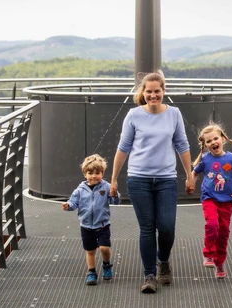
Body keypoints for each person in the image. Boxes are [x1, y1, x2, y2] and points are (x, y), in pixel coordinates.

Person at [110, 71, 195, 294]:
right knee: (147, 228)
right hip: (139, 179)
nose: (153, 95)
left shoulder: (174, 114)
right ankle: (149, 275)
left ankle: (163, 261)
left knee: (166, 226)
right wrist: (113, 179)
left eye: (157, 91)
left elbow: (182, 145)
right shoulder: (133, 115)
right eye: (149, 91)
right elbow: (123, 147)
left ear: (163, 91)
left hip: (166, 178)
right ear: (143, 92)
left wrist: (190, 174)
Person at [192, 123, 232, 279]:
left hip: (226, 201)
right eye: (208, 141)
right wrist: (190, 183)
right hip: (209, 198)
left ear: (223, 139)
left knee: (223, 233)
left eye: (215, 138)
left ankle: (219, 261)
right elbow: (194, 173)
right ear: (205, 145)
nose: (213, 143)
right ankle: (208, 253)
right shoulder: (205, 159)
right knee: (212, 224)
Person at [62, 154, 121, 285]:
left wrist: (115, 195)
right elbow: (73, 203)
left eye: (97, 173)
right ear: (85, 174)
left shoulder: (106, 187)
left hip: (102, 225)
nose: (94, 176)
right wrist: (68, 206)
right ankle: (91, 271)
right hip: (86, 226)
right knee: (90, 251)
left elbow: (115, 201)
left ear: (102, 173)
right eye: (90, 173)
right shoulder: (80, 190)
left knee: (104, 248)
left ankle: (106, 265)